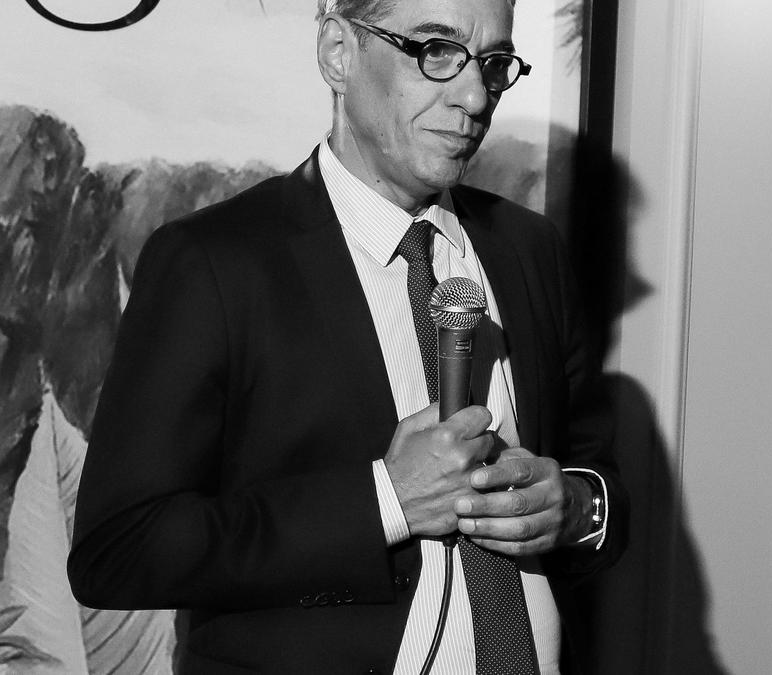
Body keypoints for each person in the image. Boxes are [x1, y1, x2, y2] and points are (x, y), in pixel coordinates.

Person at [68, 0, 629, 672]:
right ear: (338, 52)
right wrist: (386, 499)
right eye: (436, 51)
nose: (476, 96)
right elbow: (119, 549)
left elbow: (600, 480)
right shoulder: (213, 263)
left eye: (493, 63)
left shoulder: (528, 248)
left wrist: (573, 509)